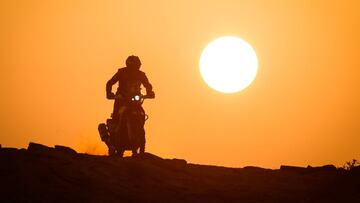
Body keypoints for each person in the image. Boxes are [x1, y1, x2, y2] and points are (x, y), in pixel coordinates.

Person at [106, 55, 154, 155]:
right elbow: (110, 83)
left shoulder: (141, 75)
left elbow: (148, 85)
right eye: (135, 66)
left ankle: (137, 140)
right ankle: (112, 140)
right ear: (129, 65)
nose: (136, 68)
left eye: (137, 66)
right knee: (116, 117)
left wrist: (150, 92)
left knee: (142, 113)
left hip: (135, 101)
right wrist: (110, 94)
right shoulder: (121, 73)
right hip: (121, 100)